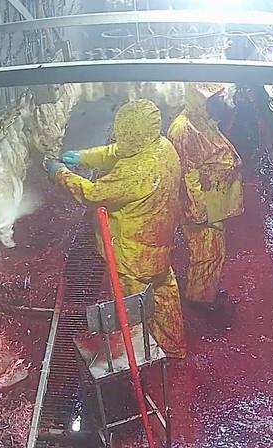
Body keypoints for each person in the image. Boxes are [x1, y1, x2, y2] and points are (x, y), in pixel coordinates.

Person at [44, 99, 187, 359]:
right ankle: (174, 347)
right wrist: (84, 157)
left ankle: (141, 365)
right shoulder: (163, 147)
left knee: (131, 312)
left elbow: (93, 193)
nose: (119, 138)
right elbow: (119, 151)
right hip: (159, 245)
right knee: (164, 293)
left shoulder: (134, 172)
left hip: (131, 257)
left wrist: (60, 174)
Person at [167, 83, 244, 315]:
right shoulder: (184, 129)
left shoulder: (202, 120)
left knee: (214, 251)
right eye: (216, 97)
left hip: (213, 202)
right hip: (202, 207)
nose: (222, 101)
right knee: (205, 254)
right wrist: (197, 212)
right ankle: (199, 302)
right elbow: (186, 176)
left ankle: (206, 290)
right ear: (200, 99)